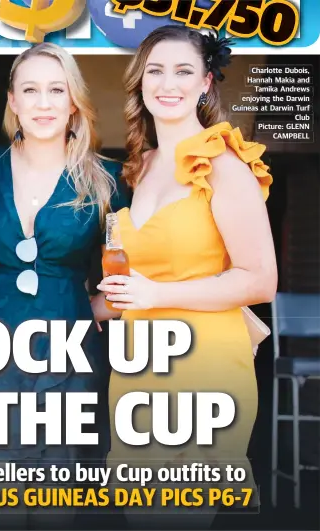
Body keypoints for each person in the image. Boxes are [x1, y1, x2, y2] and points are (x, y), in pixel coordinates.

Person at [93, 26, 276, 529]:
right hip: (139, 364)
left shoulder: (222, 164)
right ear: (140, 82)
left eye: (183, 71)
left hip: (203, 364)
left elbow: (260, 280)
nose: (167, 83)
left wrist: (154, 293)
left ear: (206, 84)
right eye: (155, 70)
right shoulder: (140, 166)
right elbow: (138, 281)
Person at [0, 42, 129, 527]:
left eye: (56, 89)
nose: (44, 103)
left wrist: (87, 312)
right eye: (31, 90)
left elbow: (129, 270)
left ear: (74, 101)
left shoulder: (107, 181)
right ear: (13, 100)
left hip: (68, 362)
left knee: (54, 505)